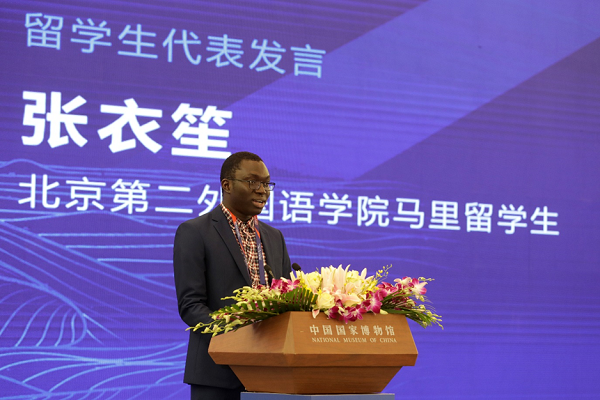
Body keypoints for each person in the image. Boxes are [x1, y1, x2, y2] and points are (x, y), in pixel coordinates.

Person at [173, 151, 292, 400]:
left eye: (266, 183)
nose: (262, 190)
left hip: (269, 372)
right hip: (216, 372)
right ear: (226, 185)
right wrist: (238, 335)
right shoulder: (194, 232)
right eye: (252, 182)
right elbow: (191, 305)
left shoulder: (274, 237)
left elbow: (285, 298)